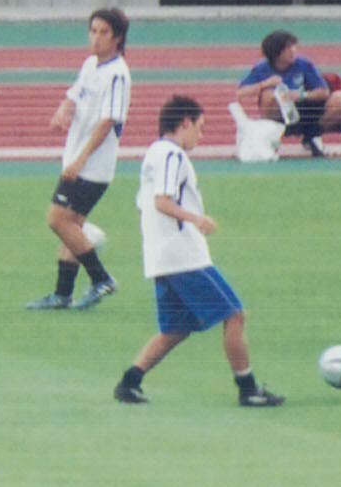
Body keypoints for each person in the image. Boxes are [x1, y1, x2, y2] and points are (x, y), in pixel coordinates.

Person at [113, 96, 285, 408]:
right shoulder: (172, 155)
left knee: (176, 329)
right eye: (200, 128)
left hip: (163, 257)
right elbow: (162, 201)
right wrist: (196, 219)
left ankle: (129, 382)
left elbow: (144, 204)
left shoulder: (154, 153)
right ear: (184, 123)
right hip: (183, 257)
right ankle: (248, 389)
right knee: (234, 315)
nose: (201, 136)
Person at [26, 7, 130, 312]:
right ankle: (63, 294)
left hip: (92, 167)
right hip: (77, 160)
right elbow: (75, 94)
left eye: (103, 33)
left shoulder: (118, 75)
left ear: (118, 38)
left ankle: (102, 278)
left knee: (57, 220)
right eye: (93, 31)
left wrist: (81, 160)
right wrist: (63, 110)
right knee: (73, 226)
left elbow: (108, 122)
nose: (96, 38)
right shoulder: (90, 64)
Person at [236, 30, 341, 156]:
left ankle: (312, 136)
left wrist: (300, 95)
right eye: (288, 48)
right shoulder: (263, 68)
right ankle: (273, 136)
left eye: (293, 47)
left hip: (306, 109)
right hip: (281, 114)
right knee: (268, 95)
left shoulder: (304, 65)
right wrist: (265, 84)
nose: (293, 51)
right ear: (276, 52)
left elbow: (323, 92)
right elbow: (241, 93)